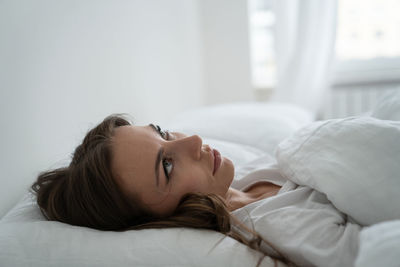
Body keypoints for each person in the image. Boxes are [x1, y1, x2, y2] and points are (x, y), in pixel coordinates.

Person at [31, 114, 359, 267]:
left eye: (162, 132)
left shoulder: (241, 178)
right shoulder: (281, 228)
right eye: (167, 166)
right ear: (159, 218)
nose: (194, 141)